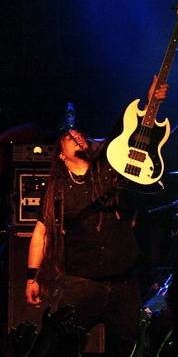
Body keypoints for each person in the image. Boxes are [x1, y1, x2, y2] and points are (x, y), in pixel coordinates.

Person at [24, 77, 168, 357]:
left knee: (126, 348)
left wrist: (151, 102)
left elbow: (123, 131)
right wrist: (32, 277)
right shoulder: (58, 191)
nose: (76, 136)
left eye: (80, 135)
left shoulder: (108, 169)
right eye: (69, 137)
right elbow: (40, 233)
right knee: (61, 347)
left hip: (123, 283)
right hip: (82, 284)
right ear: (61, 156)